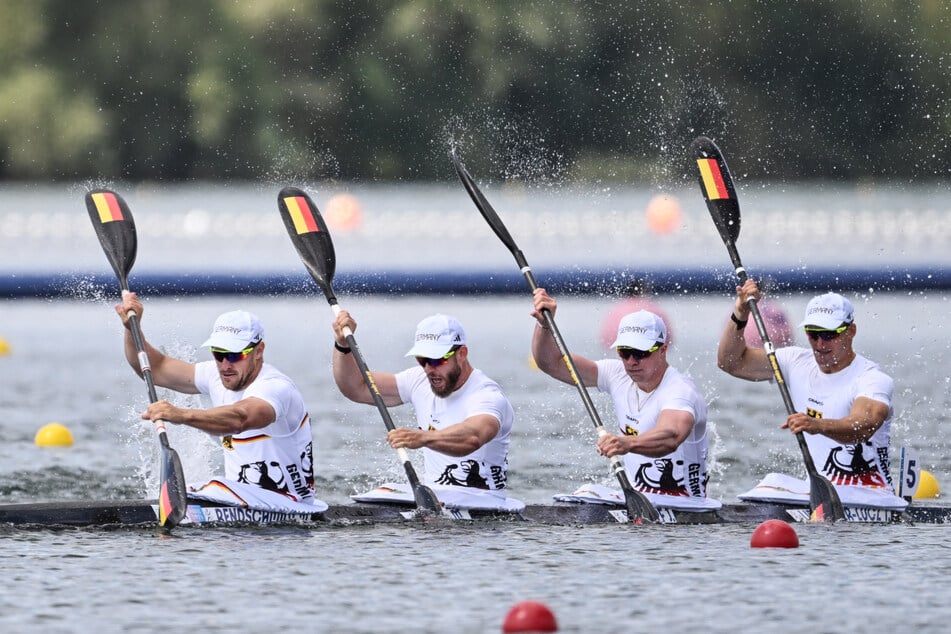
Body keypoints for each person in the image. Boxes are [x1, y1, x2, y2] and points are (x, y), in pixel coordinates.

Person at [115, 293, 326, 513]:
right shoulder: (215, 375)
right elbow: (155, 368)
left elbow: (240, 418)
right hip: (243, 503)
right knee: (197, 489)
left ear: (259, 351)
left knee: (210, 487)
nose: (225, 364)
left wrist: (182, 415)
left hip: (291, 505)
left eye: (235, 355)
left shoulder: (275, 388)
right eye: (219, 353)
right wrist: (133, 329)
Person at [717, 280, 906, 510]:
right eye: (812, 334)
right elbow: (730, 363)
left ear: (851, 331)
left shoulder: (872, 379)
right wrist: (740, 312)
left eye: (829, 334)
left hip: (871, 496)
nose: (820, 343)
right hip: (818, 497)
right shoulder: (794, 362)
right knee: (772, 481)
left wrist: (817, 424)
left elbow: (863, 426)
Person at [532, 288, 719, 511]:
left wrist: (627, 443)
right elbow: (551, 364)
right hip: (641, 504)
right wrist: (544, 326)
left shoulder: (679, 391)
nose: (631, 361)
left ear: (663, 350)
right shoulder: (617, 374)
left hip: (686, 507)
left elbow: (671, 436)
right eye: (624, 352)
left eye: (641, 352)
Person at [332, 312, 524, 512]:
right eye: (422, 359)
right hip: (436, 501)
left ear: (462, 354)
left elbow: (472, 437)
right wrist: (342, 345)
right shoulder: (418, 380)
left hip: (483, 503)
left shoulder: (486, 395)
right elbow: (356, 387)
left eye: (436, 360)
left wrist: (423, 438)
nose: (429, 369)